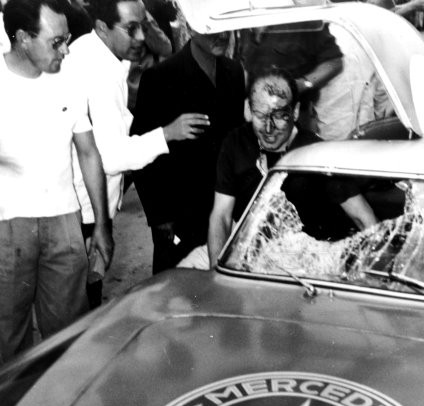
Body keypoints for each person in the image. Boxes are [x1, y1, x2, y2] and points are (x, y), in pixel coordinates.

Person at [64, 0, 208, 305]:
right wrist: (167, 133)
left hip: (83, 202)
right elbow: (113, 157)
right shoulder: (98, 71)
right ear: (102, 27)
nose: (141, 37)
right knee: (82, 304)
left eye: (143, 26)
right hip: (85, 208)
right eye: (132, 29)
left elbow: (117, 124)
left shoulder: (96, 52)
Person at [0, 0, 113, 362]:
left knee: (68, 341)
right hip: (6, 225)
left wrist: (102, 224)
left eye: (67, 40)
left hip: (64, 221)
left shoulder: (69, 79)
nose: (65, 50)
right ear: (22, 39)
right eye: (56, 42)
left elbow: (89, 152)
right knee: (7, 340)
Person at [206, 68, 377, 269]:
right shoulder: (235, 143)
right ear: (248, 110)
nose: (268, 129)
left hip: (308, 263)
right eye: (260, 115)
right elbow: (221, 215)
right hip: (251, 255)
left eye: (279, 116)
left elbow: (363, 217)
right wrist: (214, 272)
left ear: (295, 112)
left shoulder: (316, 152)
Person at [131, 28, 246, 273]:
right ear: (191, 26)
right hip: (179, 212)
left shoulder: (234, 72)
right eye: (210, 29)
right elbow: (140, 151)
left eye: (224, 28)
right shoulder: (159, 77)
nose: (221, 36)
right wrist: (160, 218)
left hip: (225, 206)